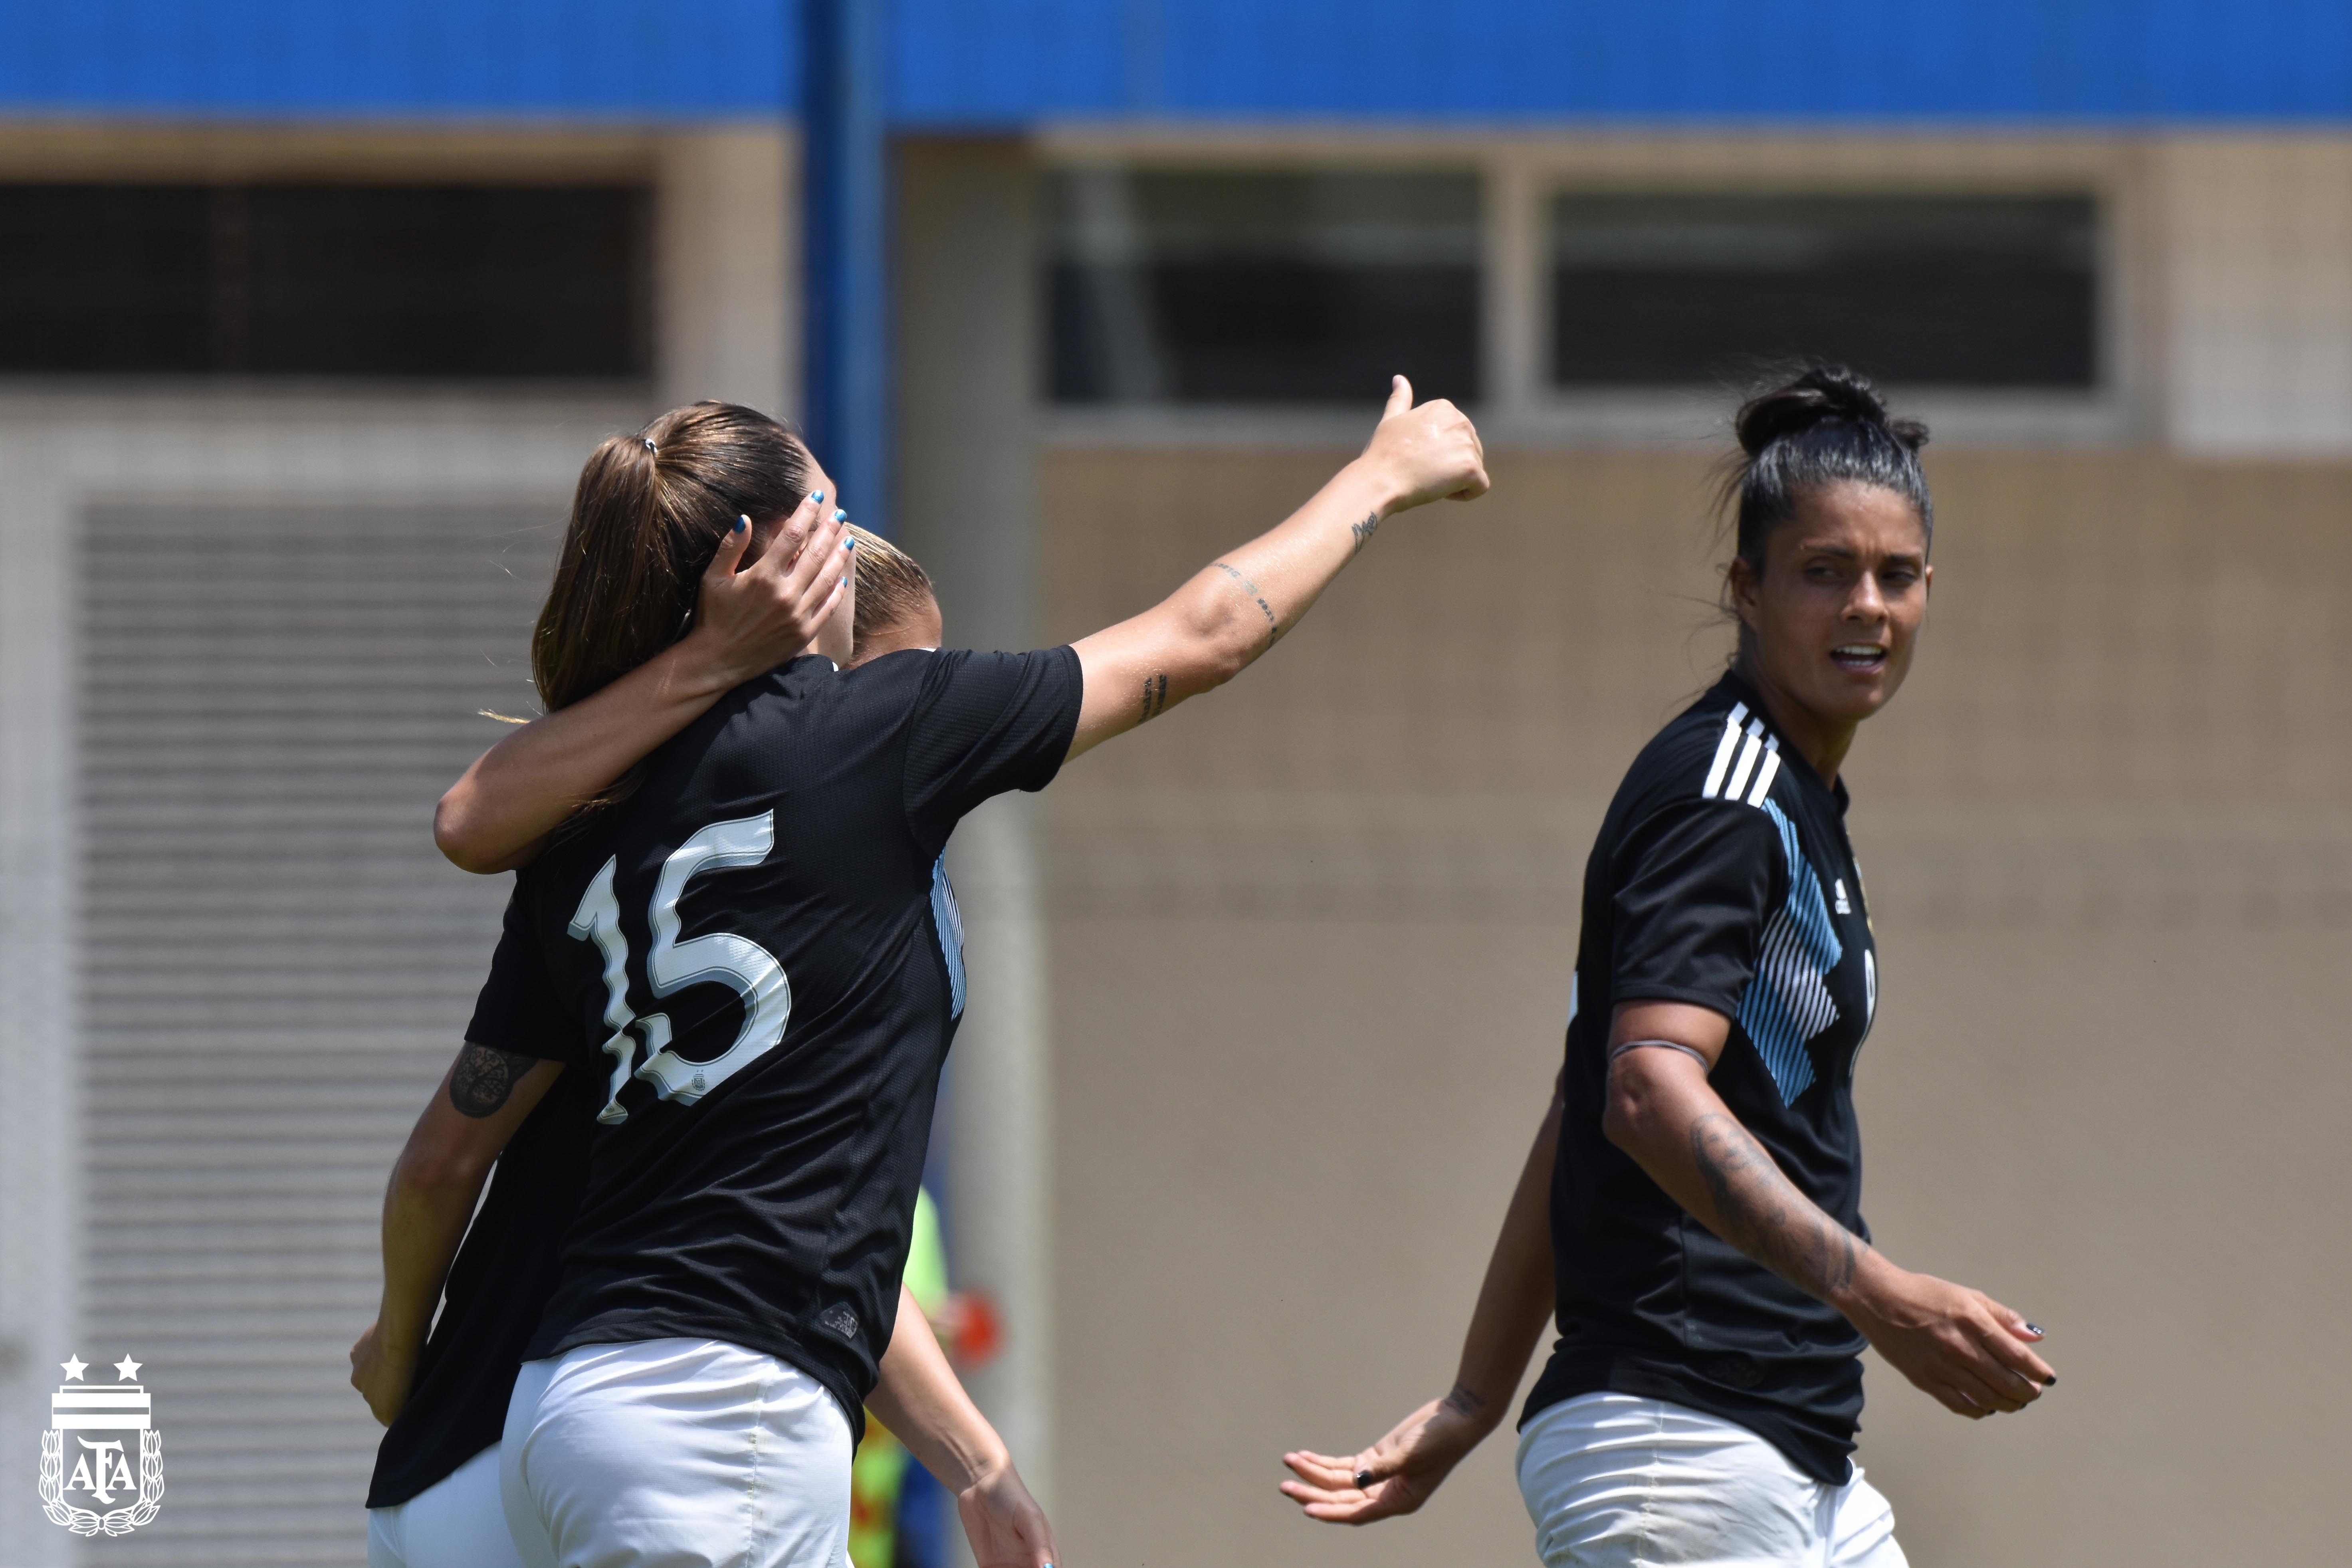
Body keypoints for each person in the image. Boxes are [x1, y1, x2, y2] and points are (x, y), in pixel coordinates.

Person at [423, 382, 1486, 1568]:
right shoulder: (880, 727)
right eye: (828, 507)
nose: (848, 531)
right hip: (724, 1409)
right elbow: (1206, 635)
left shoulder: (597, 806)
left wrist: (976, 1464)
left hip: (569, 1403)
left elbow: (471, 821)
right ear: (774, 558)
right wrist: (1381, 477)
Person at [1277, 367, 2054, 1568]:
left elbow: (1581, 1100)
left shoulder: (1793, 795)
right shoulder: (1723, 796)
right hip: (1678, 1451)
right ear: (1744, 588)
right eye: (1821, 572)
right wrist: (1878, 1293)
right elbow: (1642, 1092)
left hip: (1790, 1461)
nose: (1865, 606)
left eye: (1894, 576)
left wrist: (1476, 1399)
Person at [355, 487, 1047, 1568]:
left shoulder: (601, 855)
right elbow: (774, 1253)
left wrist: (400, 1349)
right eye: (902, 682)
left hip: (442, 1479)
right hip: (647, 1446)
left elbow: (441, 1162)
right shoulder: (808, 937)